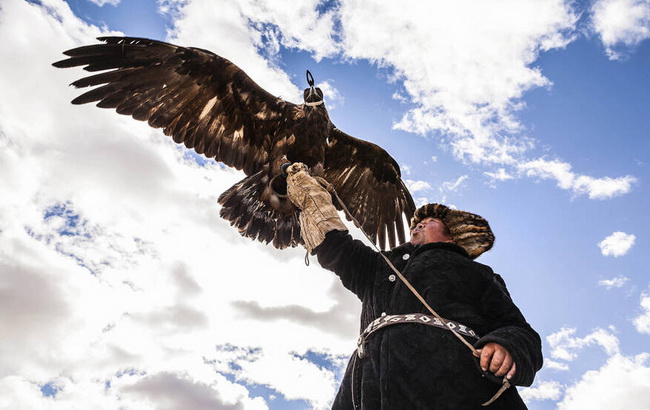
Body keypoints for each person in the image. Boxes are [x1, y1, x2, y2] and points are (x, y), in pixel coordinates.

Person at [284, 163, 543, 409]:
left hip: (455, 383)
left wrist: (505, 345)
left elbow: (516, 327)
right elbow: (334, 245)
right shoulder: (379, 266)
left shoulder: (475, 272)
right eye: (416, 223)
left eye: (430, 222)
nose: (418, 223)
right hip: (368, 386)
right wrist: (311, 197)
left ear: (451, 235)